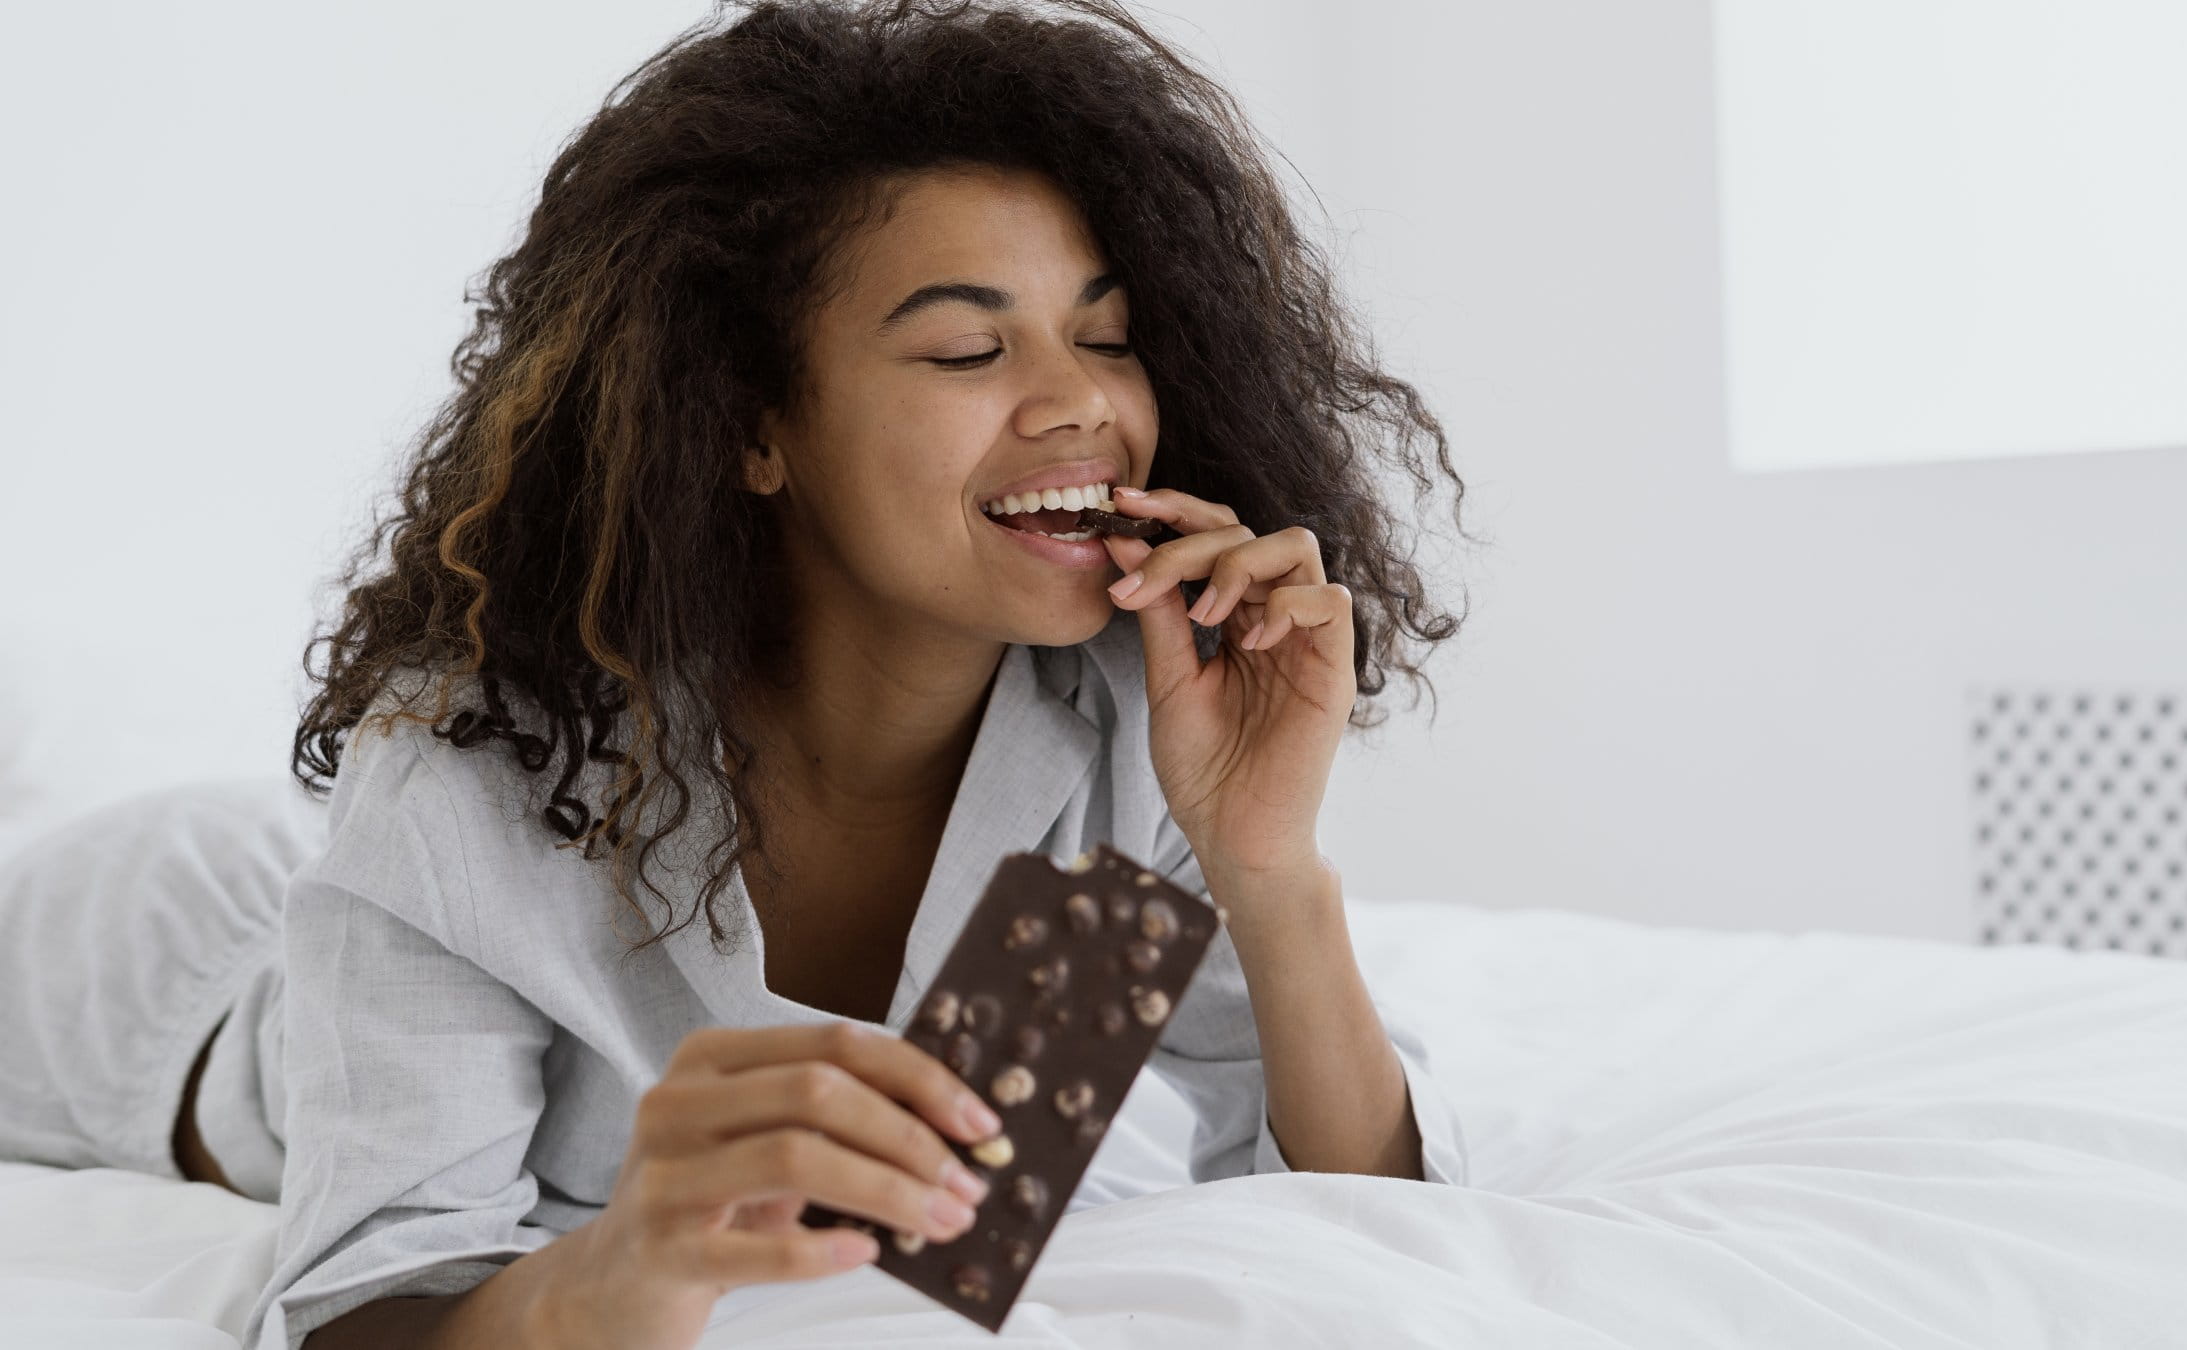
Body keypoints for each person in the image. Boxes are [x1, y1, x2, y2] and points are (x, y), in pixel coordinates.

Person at [16, 1, 1487, 1345]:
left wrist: (1271, 869)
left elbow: (1365, 1210)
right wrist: (626, 1267)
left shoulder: (1119, 723)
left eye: (1107, 334)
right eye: (971, 347)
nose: (1082, 401)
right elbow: (361, 1306)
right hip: (154, 983)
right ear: (751, 426)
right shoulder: (474, 760)